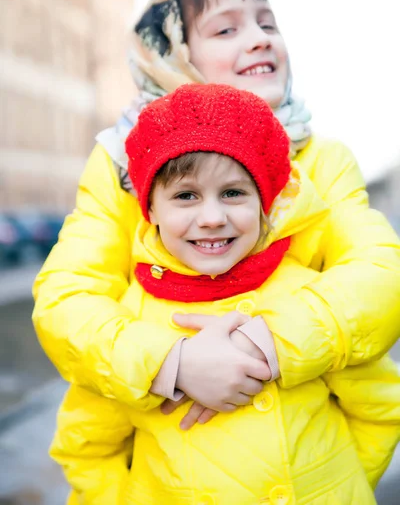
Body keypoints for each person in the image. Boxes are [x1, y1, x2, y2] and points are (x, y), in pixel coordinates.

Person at [33, 0, 400, 429]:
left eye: (268, 23)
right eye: (226, 30)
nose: (261, 37)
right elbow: (67, 299)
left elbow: (379, 276)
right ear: (171, 55)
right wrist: (172, 363)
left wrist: (268, 343)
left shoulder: (322, 158)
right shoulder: (120, 162)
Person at [50, 84, 400, 505]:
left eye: (233, 193)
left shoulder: (305, 294)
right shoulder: (131, 320)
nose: (213, 218)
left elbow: (381, 410)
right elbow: (87, 444)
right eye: (185, 195)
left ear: (264, 203)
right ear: (151, 210)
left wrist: (341, 489)